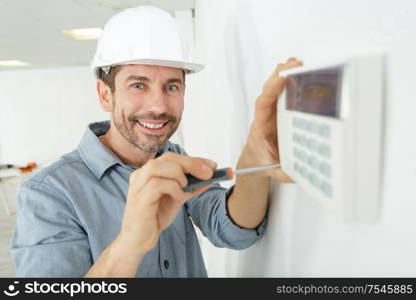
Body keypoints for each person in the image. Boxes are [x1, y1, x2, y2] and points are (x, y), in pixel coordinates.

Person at [11, 5, 302, 277]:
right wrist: (130, 244)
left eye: (171, 86)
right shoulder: (48, 194)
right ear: (105, 95)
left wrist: (254, 153)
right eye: (138, 84)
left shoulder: (173, 157)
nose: (159, 106)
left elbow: (232, 229)